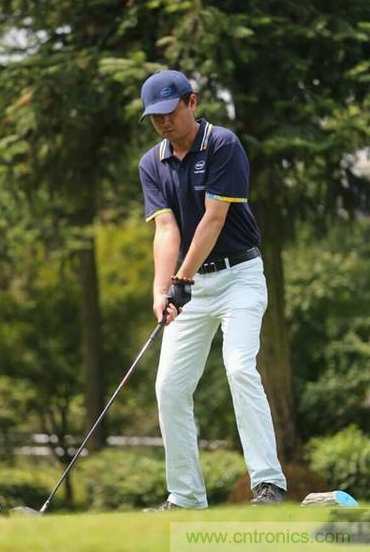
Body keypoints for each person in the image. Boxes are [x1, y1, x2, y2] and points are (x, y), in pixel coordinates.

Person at [138, 70, 287, 510]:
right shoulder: (152, 163)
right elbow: (166, 229)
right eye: (155, 117)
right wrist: (161, 290)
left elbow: (214, 218)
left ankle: (268, 483)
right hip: (193, 286)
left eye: (170, 112)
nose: (163, 123)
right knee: (169, 386)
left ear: (192, 102)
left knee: (239, 368)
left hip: (240, 276)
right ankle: (185, 496)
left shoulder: (222, 144)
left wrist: (180, 280)